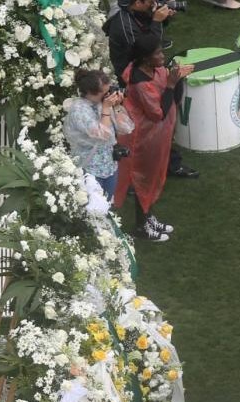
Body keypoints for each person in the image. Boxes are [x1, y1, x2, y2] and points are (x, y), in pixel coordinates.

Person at [113, 36, 193, 241]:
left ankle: (147, 216)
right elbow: (157, 113)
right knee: (144, 179)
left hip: (158, 135)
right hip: (144, 138)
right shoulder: (141, 83)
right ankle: (141, 227)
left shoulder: (155, 69)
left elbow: (172, 97)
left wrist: (177, 80)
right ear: (145, 59)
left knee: (155, 176)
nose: (162, 56)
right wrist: (172, 84)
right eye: (158, 53)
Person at [64, 70, 135, 200]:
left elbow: (125, 128)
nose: (109, 94)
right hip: (89, 168)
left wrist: (117, 106)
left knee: (107, 206)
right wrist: (107, 108)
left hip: (109, 164)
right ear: (91, 93)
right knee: (93, 210)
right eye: (105, 92)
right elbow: (102, 134)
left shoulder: (102, 103)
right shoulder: (79, 110)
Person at [103, 0, 174, 90]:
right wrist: (157, 21)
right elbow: (148, 49)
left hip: (141, 63)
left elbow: (146, 28)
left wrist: (163, 17)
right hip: (132, 74)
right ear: (138, 3)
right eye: (150, 1)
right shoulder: (125, 26)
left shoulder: (133, 11)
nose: (154, 3)